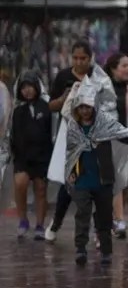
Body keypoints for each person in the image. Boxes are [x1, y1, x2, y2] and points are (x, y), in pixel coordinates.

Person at [65, 78, 128, 266]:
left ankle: (106, 251)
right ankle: (80, 249)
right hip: (82, 179)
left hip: (103, 178)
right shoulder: (73, 127)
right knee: (82, 213)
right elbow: (70, 152)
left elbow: (124, 134)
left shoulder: (104, 123)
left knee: (104, 216)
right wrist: (71, 172)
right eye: (81, 107)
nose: (85, 111)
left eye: (88, 107)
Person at [45, 40, 97, 241]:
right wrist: (64, 98)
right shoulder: (63, 77)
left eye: (83, 58)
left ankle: (98, 228)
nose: (79, 62)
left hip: (93, 136)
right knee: (70, 181)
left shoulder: (97, 76)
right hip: (70, 136)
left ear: (89, 58)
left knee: (95, 181)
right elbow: (51, 106)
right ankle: (56, 222)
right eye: (75, 58)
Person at [11, 72, 52, 240]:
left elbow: (51, 131)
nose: (27, 90)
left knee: (40, 190)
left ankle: (40, 225)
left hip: (42, 156)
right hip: (22, 157)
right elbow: (13, 134)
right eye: (23, 87)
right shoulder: (17, 111)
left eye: (30, 86)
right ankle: (23, 220)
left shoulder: (46, 107)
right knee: (20, 183)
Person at [105, 52, 128, 239]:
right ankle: (119, 219)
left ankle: (114, 218)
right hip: (111, 140)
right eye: (123, 66)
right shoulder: (106, 88)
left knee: (126, 183)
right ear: (113, 69)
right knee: (117, 182)